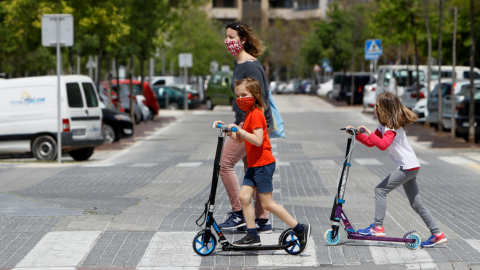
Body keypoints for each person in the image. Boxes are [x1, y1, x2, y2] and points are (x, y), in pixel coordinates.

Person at [214, 78, 310, 248]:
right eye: (237, 96)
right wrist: (228, 130)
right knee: (244, 197)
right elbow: (239, 140)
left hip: (263, 164)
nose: (240, 99)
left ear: (255, 95)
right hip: (254, 165)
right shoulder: (249, 114)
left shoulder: (257, 114)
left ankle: (300, 228)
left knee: (267, 204)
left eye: (244, 95)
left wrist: (239, 130)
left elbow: (257, 140)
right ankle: (252, 235)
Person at [345, 92, 447, 248]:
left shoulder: (391, 126)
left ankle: (377, 227)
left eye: (377, 107)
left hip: (407, 167)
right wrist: (356, 134)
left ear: (384, 109)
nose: (374, 110)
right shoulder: (384, 125)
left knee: (380, 190)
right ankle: (437, 234)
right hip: (411, 166)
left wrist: (368, 131)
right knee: (416, 204)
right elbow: (372, 143)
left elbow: (383, 145)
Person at [217, 21, 274, 233]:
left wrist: (244, 128)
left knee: (225, 164)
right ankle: (262, 220)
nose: (228, 41)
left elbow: (260, 99)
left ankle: (239, 212)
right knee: (253, 171)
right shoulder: (239, 64)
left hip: (250, 125)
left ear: (242, 40)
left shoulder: (250, 65)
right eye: (227, 37)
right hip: (244, 123)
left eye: (232, 37)